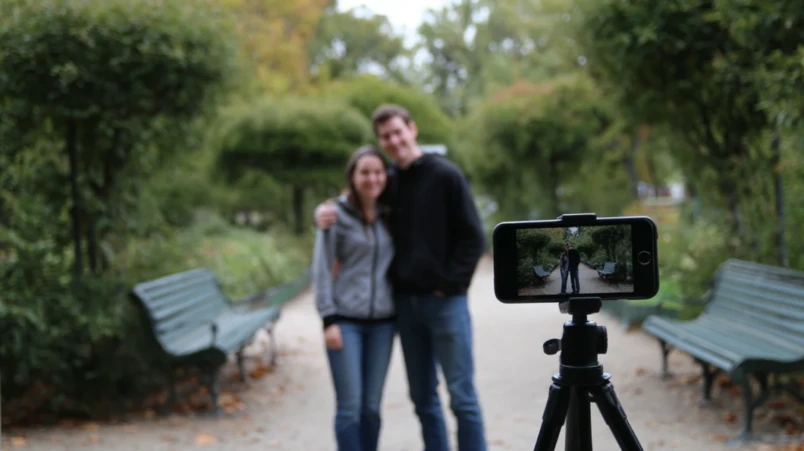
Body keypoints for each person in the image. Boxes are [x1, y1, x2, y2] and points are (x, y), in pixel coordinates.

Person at [314, 104, 488, 451]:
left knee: (461, 396)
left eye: (397, 132)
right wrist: (324, 210)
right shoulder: (389, 181)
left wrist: (449, 285)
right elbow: (358, 197)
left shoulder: (446, 175)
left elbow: (474, 237)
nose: (393, 141)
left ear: (413, 129)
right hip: (405, 307)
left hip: (445, 303)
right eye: (384, 136)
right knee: (423, 399)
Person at [312, 145, 397, 451]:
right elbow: (321, 267)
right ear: (352, 176)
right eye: (365, 172)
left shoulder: (390, 214)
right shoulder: (334, 215)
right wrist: (328, 318)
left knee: (371, 408)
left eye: (377, 172)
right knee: (349, 407)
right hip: (345, 321)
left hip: (384, 324)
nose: (372, 178)